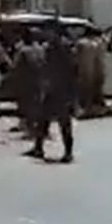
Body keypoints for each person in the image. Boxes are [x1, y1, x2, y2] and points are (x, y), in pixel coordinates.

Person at [26, 29, 76, 163]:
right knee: (45, 120)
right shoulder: (61, 47)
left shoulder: (56, 48)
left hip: (58, 90)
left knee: (60, 122)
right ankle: (40, 148)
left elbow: (50, 68)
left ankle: (66, 152)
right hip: (58, 90)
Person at [12, 27, 45, 139]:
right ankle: (39, 129)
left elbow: (16, 66)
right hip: (39, 81)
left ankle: (30, 130)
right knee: (38, 106)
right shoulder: (41, 49)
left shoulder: (23, 51)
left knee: (27, 107)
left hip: (26, 82)